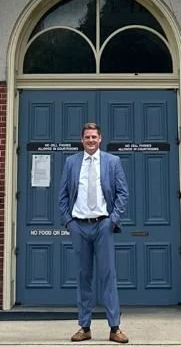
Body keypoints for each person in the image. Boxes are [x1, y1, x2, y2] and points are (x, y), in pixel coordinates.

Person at [58, 121, 129, 344]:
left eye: (94, 137)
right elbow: (62, 196)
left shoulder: (112, 162)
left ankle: (114, 328)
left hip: (103, 225)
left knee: (108, 276)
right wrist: (68, 222)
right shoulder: (71, 162)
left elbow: (122, 193)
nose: (90, 140)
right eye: (87, 137)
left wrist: (113, 220)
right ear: (82, 140)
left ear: (100, 139)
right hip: (79, 226)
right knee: (83, 277)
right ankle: (84, 327)